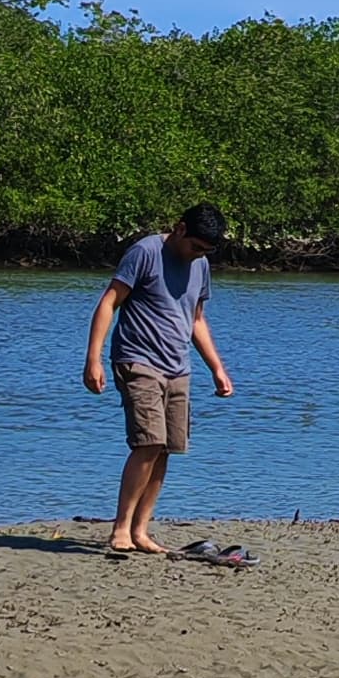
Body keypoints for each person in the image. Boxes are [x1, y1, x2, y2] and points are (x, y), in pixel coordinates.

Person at [83, 205, 235, 557]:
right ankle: (120, 529)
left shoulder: (201, 265)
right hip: (137, 360)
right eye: (196, 246)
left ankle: (141, 531)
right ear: (179, 229)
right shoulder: (145, 251)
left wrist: (217, 368)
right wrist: (93, 358)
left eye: (206, 251)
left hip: (177, 367)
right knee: (147, 443)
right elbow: (109, 302)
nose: (199, 255)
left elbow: (196, 319)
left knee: (166, 448)